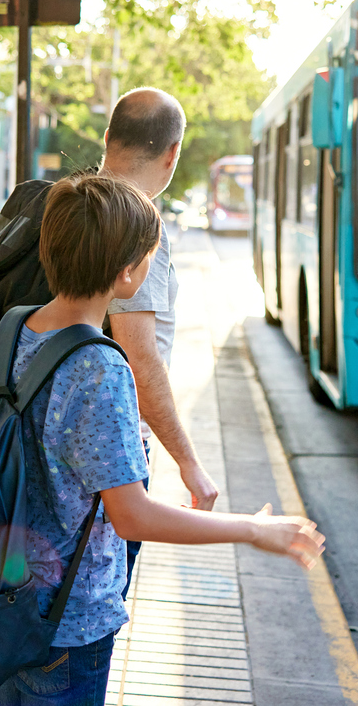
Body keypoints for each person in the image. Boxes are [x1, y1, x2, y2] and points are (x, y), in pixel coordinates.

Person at [0, 174, 324, 706]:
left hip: (6, 595)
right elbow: (132, 516)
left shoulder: (13, 328)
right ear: (128, 274)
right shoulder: (98, 368)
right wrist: (252, 531)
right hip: (68, 627)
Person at [97, 88, 218, 593]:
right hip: (110, 449)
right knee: (92, 604)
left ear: (108, 138)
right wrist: (190, 465)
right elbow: (138, 356)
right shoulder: (137, 222)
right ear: (172, 154)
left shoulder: (65, 202)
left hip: (40, 427)